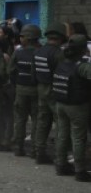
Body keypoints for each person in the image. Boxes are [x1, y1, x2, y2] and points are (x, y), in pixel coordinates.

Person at [51, 35, 91, 182]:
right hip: (77, 107)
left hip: (61, 104)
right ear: (82, 49)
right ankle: (80, 171)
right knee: (79, 138)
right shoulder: (82, 66)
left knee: (62, 135)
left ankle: (61, 165)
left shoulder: (62, 63)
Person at [33, 22, 67, 164]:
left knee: (43, 122)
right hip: (54, 90)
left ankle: (39, 153)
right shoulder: (59, 53)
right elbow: (63, 74)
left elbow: (33, 73)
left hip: (41, 89)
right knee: (60, 124)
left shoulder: (38, 51)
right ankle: (60, 157)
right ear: (60, 37)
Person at [9, 24, 41, 157]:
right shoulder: (41, 51)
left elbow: (11, 70)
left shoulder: (18, 52)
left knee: (20, 120)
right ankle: (35, 149)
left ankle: (18, 147)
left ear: (28, 38)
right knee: (36, 120)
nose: (20, 38)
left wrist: (14, 84)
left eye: (22, 36)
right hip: (37, 90)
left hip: (21, 89)